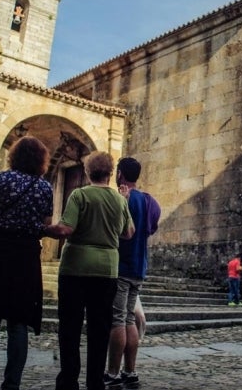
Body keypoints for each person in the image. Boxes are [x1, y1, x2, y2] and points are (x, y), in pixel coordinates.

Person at [0, 136, 70, 390]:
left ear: (14, 156)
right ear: (41, 161)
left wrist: (4, 224)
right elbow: (45, 224)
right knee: (18, 322)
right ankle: (12, 384)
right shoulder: (44, 187)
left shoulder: (2, 179)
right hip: (25, 257)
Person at [47, 151, 135, 390]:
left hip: (75, 267)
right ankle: (95, 382)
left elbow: (66, 229)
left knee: (70, 328)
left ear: (87, 172)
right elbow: (129, 233)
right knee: (99, 329)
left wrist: (44, 230)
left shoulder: (79, 195)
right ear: (110, 174)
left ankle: (68, 381)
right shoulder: (120, 200)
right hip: (106, 270)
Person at [105, 157, 161, 390]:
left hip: (120, 267)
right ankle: (130, 370)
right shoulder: (150, 202)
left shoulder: (119, 199)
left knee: (118, 319)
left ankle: (112, 372)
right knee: (129, 318)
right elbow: (151, 228)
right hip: (139, 267)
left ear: (120, 174)